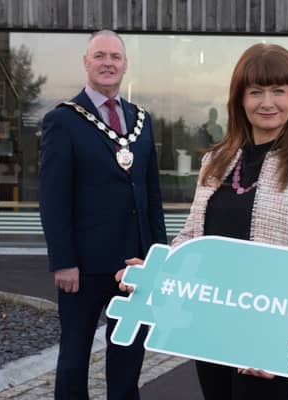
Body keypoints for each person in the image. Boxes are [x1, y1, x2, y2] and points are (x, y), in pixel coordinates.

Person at [119, 43, 288, 399]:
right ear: (240, 100)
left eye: (278, 90)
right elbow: (193, 235)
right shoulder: (216, 160)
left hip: (270, 329)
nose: (268, 102)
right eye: (256, 92)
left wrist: (278, 342)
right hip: (211, 323)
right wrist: (155, 271)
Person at [39, 29, 167, 400]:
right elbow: (53, 198)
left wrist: (156, 258)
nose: (108, 63)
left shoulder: (141, 120)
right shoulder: (63, 120)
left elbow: (151, 195)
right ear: (86, 63)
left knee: (128, 355)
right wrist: (63, 261)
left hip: (135, 264)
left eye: (115, 57)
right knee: (74, 357)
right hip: (83, 266)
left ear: (125, 65)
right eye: (100, 56)